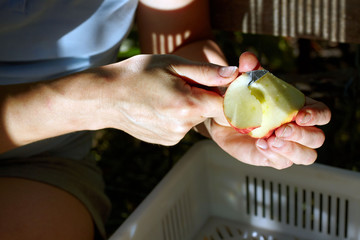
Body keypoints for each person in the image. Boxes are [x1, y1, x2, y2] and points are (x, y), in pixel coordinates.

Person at [0, 0, 331, 239]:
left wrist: (214, 101)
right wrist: (97, 100)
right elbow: (98, 101)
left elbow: (178, 38)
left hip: (45, 157)